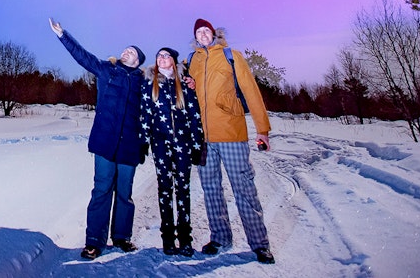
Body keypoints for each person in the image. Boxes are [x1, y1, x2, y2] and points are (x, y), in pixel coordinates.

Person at [49, 17, 146, 260]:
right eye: (125, 49)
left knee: (124, 194)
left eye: (131, 52)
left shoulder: (142, 82)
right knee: (101, 190)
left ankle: (122, 238)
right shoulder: (106, 69)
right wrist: (63, 35)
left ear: (138, 62)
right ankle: (94, 241)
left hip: (129, 147)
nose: (126, 52)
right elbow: (82, 56)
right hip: (104, 144)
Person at [187, 18, 276, 265]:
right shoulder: (193, 60)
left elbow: (250, 90)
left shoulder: (231, 55)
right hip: (204, 138)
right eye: (199, 32)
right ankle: (220, 237)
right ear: (195, 37)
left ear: (214, 33)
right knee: (212, 190)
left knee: (244, 189)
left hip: (231, 133)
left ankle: (260, 244)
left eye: (206, 30)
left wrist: (263, 129)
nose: (203, 34)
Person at [139, 47, 204, 256]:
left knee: (183, 190)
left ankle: (185, 238)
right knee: (165, 190)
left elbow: (195, 116)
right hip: (160, 145)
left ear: (174, 61)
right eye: (159, 56)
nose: (162, 59)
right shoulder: (150, 84)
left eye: (166, 56)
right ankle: (168, 238)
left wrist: (196, 145)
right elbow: (145, 115)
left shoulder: (185, 84)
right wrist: (143, 142)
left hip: (183, 144)